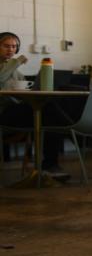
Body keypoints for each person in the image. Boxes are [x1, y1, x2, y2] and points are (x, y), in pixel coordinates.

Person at [0, 32, 73, 179]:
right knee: (48, 111)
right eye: (6, 46)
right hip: (3, 115)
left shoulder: (16, 71)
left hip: (17, 110)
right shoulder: (12, 66)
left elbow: (25, 91)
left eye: (14, 46)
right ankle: (77, 134)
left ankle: (49, 166)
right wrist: (17, 61)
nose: (11, 50)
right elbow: (1, 78)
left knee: (48, 109)